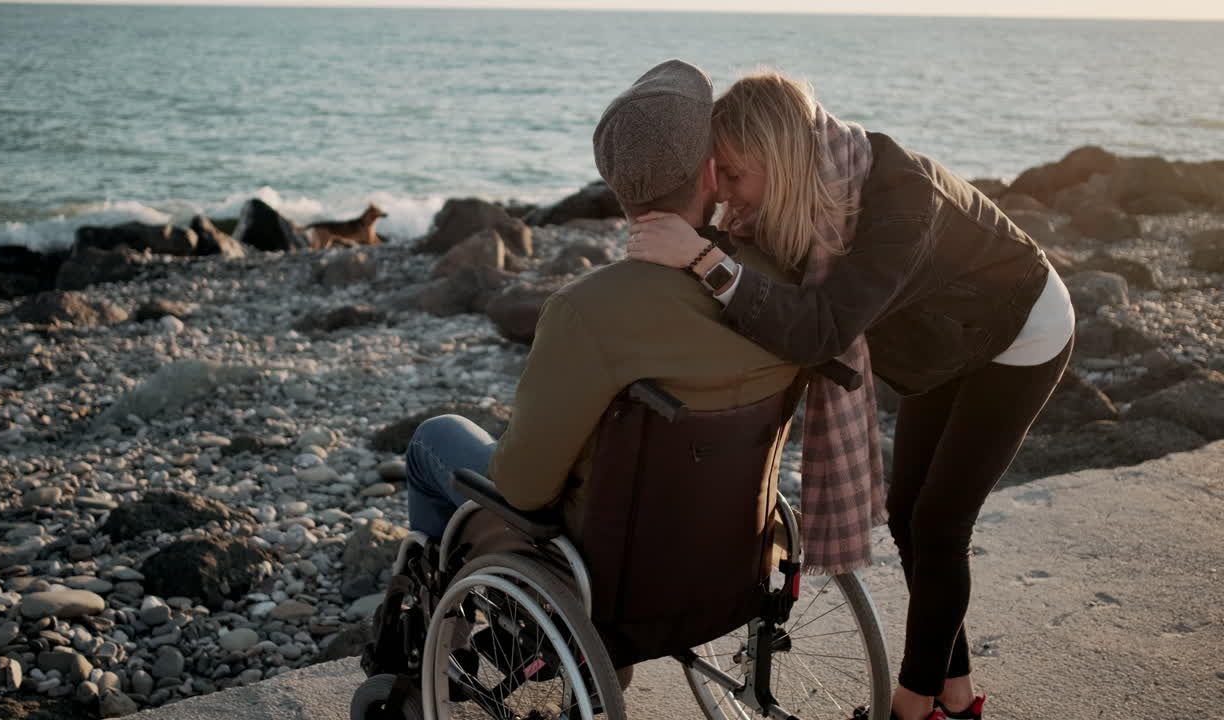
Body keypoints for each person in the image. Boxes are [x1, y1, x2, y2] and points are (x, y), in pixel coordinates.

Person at [627, 69, 1075, 720]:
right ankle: (954, 694)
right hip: (947, 341)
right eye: (714, 174)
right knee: (906, 513)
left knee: (939, 523)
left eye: (733, 176)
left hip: (1020, 329)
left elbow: (822, 327)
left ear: (778, 162)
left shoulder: (900, 200)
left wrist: (702, 258)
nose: (724, 192)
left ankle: (911, 706)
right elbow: (767, 277)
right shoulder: (815, 186)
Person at [405, 59, 802, 553]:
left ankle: (428, 615)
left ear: (616, 187)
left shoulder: (585, 310)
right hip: (730, 551)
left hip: (614, 569)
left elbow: (524, 488)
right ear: (710, 173)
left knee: (434, 438)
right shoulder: (780, 283)